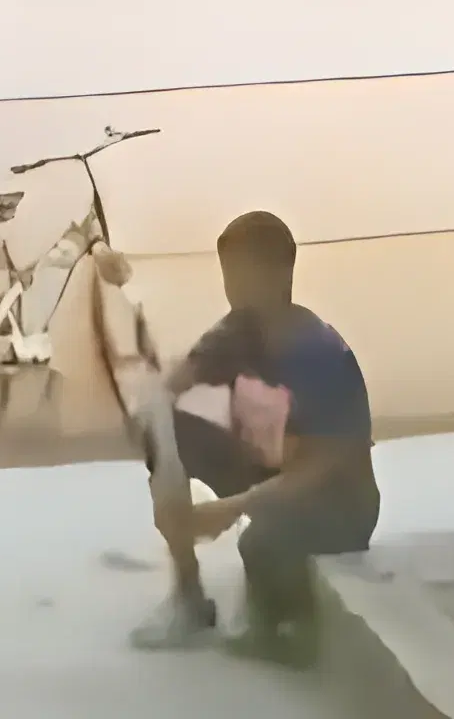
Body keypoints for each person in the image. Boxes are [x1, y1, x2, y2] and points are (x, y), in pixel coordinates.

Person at [131, 210, 376, 666]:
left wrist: (231, 508)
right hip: (279, 466)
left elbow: (325, 468)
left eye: (247, 277)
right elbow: (174, 384)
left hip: (339, 500)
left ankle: (285, 622)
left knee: (260, 545)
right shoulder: (237, 329)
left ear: (284, 273)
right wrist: (155, 411)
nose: (235, 292)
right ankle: (189, 596)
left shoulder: (318, 353)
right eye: (230, 278)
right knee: (164, 427)